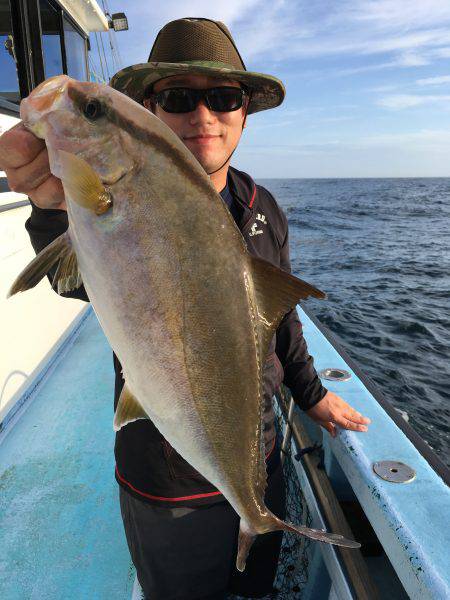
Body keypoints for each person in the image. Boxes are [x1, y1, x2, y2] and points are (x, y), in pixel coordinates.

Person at [0, 18, 371, 600]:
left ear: (244, 111)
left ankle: (254, 520)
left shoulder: (263, 206)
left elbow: (281, 320)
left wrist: (312, 394)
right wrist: (56, 208)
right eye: (178, 98)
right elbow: (78, 280)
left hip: (260, 452)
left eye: (223, 98)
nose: (203, 117)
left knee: (255, 589)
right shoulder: (97, 198)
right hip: (165, 477)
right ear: (149, 109)